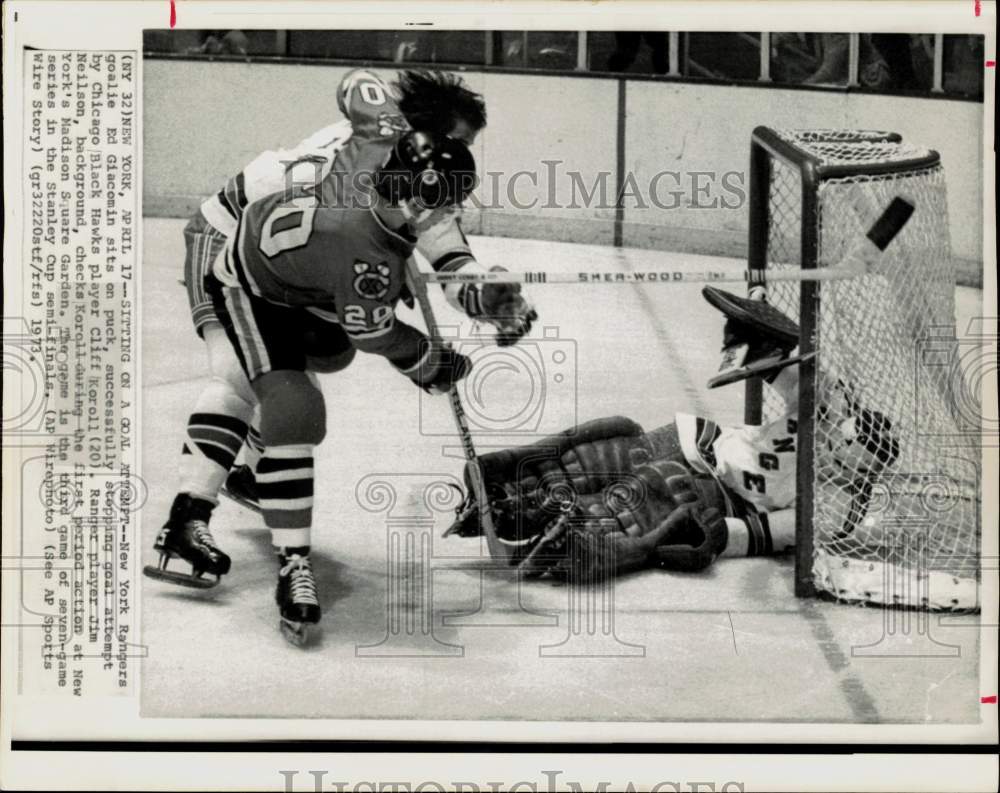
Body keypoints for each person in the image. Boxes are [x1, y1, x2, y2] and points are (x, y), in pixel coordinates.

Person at [145, 70, 536, 646]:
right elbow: (381, 294)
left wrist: (483, 297)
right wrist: (426, 357)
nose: (463, 157)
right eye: (458, 142)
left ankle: (256, 467)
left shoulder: (400, 157)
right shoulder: (372, 183)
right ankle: (185, 521)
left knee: (307, 373)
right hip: (226, 245)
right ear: (418, 137)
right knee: (243, 378)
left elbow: (444, 252)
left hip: (294, 264)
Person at [445, 287, 899, 581]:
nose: (837, 438)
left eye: (851, 449)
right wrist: (759, 333)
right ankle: (516, 493)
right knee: (611, 449)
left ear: (865, 467)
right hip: (709, 445)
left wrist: (715, 537)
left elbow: (764, 532)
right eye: (844, 432)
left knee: (650, 494)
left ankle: (570, 534)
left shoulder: (834, 507)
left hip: (726, 496)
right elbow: (798, 367)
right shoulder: (826, 415)